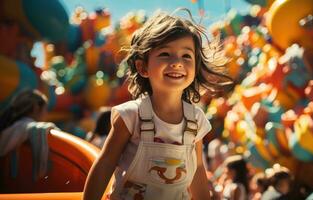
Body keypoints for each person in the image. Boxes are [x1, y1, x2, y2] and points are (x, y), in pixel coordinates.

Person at [83, 8, 232, 200]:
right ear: (143, 67)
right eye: (165, 54)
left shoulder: (196, 120)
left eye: (186, 56)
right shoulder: (131, 115)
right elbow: (105, 163)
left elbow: (198, 170)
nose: (177, 62)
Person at [0, 89, 57, 180]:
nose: (47, 114)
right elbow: (29, 127)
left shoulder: (7, 127)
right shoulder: (23, 127)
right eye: (46, 109)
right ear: (36, 108)